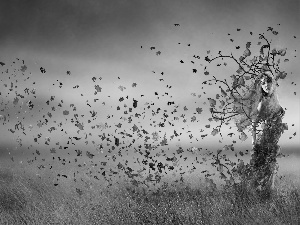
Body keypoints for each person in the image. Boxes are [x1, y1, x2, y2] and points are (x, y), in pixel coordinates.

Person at [231, 70, 286, 198]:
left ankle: (265, 194)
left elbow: (277, 112)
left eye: (268, 82)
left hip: (272, 138)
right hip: (264, 140)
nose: (266, 85)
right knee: (263, 168)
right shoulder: (262, 103)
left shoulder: (274, 99)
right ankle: (257, 193)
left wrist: (281, 112)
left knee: (270, 167)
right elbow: (255, 125)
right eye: (263, 83)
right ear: (260, 86)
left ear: (273, 83)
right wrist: (254, 143)